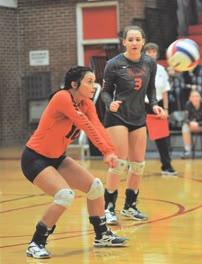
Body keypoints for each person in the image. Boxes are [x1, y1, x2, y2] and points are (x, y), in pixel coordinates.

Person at [21, 66, 128, 259]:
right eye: (89, 81)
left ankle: (102, 235)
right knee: (64, 195)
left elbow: (97, 125)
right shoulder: (62, 97)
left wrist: (111, 151)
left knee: (95, 188)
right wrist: (105, 151)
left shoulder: (86, 104)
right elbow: (85, 125)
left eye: (94, 81)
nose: (93, 86)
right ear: (74, 84)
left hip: (57, 157)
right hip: (34, 158)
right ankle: (36, 243)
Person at [101, 25, 165, 225]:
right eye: (130, 40)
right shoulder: (113, 64)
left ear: (143, 41)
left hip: (138, 116)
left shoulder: (150, 63)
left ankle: (130, 206)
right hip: (117, 116)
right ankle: (109, 208)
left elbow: (151, 90)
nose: (134, 43)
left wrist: (154, 105)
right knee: (119, 162)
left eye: (138, 39)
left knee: (138, 165)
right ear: (124, 42)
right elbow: (105, 91)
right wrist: (108, 103)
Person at [143, 42, 178, 176]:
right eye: (149, 51)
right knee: (137, 138)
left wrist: (166, 109)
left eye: (154, 51)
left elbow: (165, 91)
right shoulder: (139, 69)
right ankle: (133, 166)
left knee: (162, 138)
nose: (151, 54)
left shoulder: (161, 70)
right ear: (144, 53)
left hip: (158, 106)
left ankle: (166, 166)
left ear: (157, 54)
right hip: (142, 106)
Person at [181, 90, 202, 159]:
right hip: (192, 125)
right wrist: (190, 123)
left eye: (197, 96)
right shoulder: (188, 104)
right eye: (193, 96)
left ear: (200, 97)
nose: (195, 98)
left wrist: (198, 124)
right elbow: (185, 118)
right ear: (190, 98)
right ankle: (187, 150)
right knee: (185, 126)